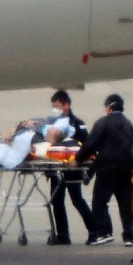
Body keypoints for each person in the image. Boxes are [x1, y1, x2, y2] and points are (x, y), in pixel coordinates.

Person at [74, 93, 133, 247]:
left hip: (107, 166)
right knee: (125, 202)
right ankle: (129, 236)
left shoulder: (103, 123)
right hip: (127, 166)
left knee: (100, 202)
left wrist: (78, 159)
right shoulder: (129, 124)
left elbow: (90, 144)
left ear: (108, 107)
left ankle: (104, 232)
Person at [47, 90, 96, 246]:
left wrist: (87, 169)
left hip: (73, 167)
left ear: (66, 105)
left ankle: (94, 231)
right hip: (57, 167)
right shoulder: (52, 123)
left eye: (58, 106)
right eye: (53, 106)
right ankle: (63, 234)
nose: (55, 109)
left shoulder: (78, 124)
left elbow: (87, 145)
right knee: (56, 200)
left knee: (77, 200)